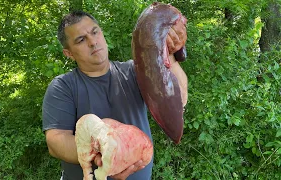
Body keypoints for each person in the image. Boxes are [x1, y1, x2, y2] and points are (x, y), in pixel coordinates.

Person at [42, 10, 187, 180]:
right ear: (69, 53)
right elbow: (56, 141)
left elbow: (179, 99)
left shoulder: (135, 71)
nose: (92, 42)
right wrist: (106, 155)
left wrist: (169, 52)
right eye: (81, 40)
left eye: (95, 32)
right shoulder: (63, 86)